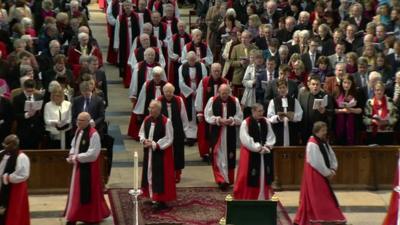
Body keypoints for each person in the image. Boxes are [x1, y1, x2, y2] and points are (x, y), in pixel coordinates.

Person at [293, 121, 346, 225]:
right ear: (317, 131)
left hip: (322, 173)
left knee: (323, 195)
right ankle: (323, 216)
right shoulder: (312, 143)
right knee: (320, 196)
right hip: (315, 174)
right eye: (323, 130)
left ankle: (326, 216)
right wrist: (328, 173)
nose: (325, 132)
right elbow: (317, 162)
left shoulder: (323, 141)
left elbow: (331, 154)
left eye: (325, 130)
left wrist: (333, 168)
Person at [65, 112, 110, 225]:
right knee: (77, 192)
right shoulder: (78, 130)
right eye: (77, 120)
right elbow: (74, 145)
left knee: (88, 192)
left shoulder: (93, 134)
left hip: (89, 168)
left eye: (81, 121)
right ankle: (75, 215)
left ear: (87, 121)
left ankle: (90, 216)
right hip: (79, 166)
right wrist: (71, 154)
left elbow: (93, 154)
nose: (78, 122)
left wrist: (76, 157)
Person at [139, 100, 176, 210]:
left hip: (160, 154)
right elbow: (141, 132)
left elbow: (169, 137)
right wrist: (143, 140)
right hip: (149, 153)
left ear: (159, 109)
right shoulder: (147, 119)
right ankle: (152, 196)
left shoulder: (166, 121)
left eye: (152, 108)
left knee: (159, 176)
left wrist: (155, 144)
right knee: (149, 173)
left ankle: (160, 200)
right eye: (149, 107)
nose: (150, 110)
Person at [204, 84, 243, 191]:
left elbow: (240, 116)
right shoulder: (212, 100)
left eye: (227, 93)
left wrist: (232, 120)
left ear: (229, 92)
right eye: (223, 93)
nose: (225, 95)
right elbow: (207, 116)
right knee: (218, 155)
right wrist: (218, 120)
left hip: (229, 132)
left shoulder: (235, 101)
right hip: (217, 133)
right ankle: (221, 180)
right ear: (219, 92)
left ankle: (228, 179)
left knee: (229, 155)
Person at [234, 103, 276, 200]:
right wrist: (258, 148)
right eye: (259, 111)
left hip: (264, 153)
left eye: (262, 111)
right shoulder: (246, 122)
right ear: (253, 111)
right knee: (247, 176)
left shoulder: (266, 121)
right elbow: (245, 139)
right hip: (250, 153)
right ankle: (249, 197)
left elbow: (271, 135)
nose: (262, 113)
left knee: (264, 174)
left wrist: (268, 146)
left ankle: (262, 196)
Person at [195, 63, 228, 161]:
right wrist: (200, 112)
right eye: (215, 71)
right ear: (211, 71)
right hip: (206, 111)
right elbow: (199, 96)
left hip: (221, 111)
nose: (217, 73)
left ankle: (217, 151)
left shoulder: (225, 82)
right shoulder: (204, 82)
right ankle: (205, 153)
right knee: (204, 132)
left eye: (218, 71)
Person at [157, 83, 189, 183]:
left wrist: (185, 130)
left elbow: (184, 116)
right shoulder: (158, 100)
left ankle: (177, 174)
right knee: (164, 151)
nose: (169, 94)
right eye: (167, 91)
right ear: (163, 91)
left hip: (177, 130)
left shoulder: (179, 100)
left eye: (170, 92)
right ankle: (165, 173)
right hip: (163, 130)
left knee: (177, 152)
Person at [0, 134, 30, 225]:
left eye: (7, 144)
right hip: (1, 186)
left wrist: (7, 178)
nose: (4, 146)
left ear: (14, 145)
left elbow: (23, 175)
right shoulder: (1, 153)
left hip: (14, 189)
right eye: (4, 144)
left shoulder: (21, 157)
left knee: (14, 212)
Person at [178, 51, 207, 144]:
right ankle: (189, 135)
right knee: (188, 113)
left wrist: (198, 92)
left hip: (199, 90)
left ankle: (198, 134)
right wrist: (191, 92)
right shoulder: (182, 67)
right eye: (190, 60)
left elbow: (204, 79)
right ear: (187, 59)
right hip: (187, 93)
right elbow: (181, 82)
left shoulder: (201, 66)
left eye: (194, 60)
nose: (192, 62)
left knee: (197, 112)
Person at [298, 75, 333, 144]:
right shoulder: (302, 95)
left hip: (320, 130)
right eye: (313, 84)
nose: (315, 86)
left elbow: (332, 112)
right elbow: (299, 112)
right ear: (309, 85)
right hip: (306, 130)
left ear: (320, 85)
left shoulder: (326, 96)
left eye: (317, 84)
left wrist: (324, 111)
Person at [267, 79, 303, 146]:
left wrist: (293, 116)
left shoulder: (294, 101)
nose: (282, 90)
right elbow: (269, 117)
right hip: (278, 131)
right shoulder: (273, 101)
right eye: (280, 88)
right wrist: (278, 118)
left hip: (292, 131)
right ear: (277, 89)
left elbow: (300, 115)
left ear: (287, 88)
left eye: (284, 87)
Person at [13, 79, 44, 149]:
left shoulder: (39, 97)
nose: (30, 93)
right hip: (23, 130)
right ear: (24, 88)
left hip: (36, 130)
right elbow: (14, 115)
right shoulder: (17, 99)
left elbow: (41, 115)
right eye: (28, 91)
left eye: (32, 91)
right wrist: (26, 115)